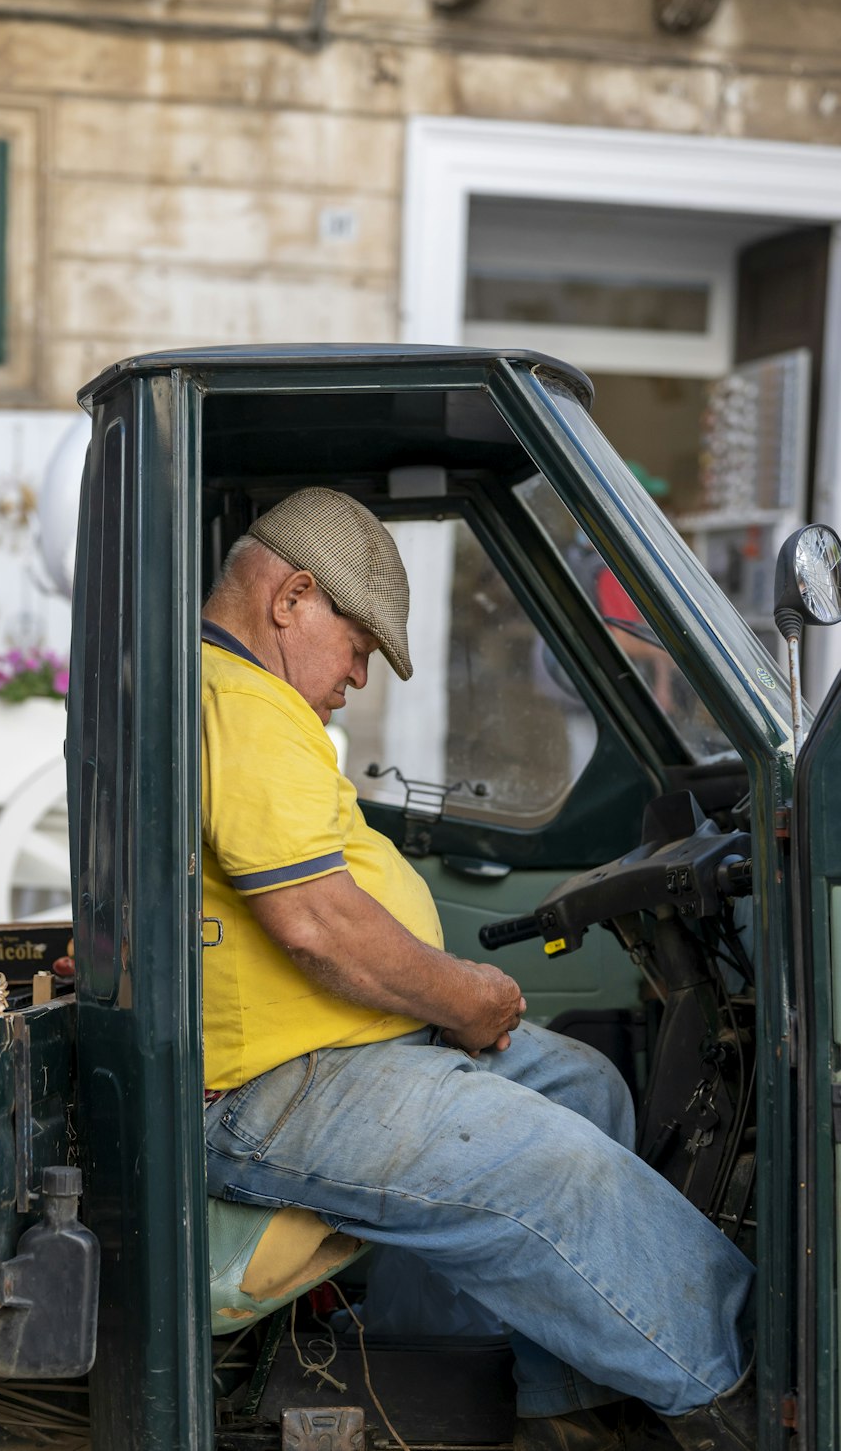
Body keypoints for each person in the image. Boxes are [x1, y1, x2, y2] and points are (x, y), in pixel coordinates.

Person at [200, 486, 755, 1451]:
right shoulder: (236, 699)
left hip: (338, 1050)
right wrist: (464, 996)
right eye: (361, 646)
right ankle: (738, 1394)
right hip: (265, 1087)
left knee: (580, 1084)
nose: (360, 678)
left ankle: (498, 1402)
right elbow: (317, 922)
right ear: (291, 597)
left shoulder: (255, 698)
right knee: (555, 1166)